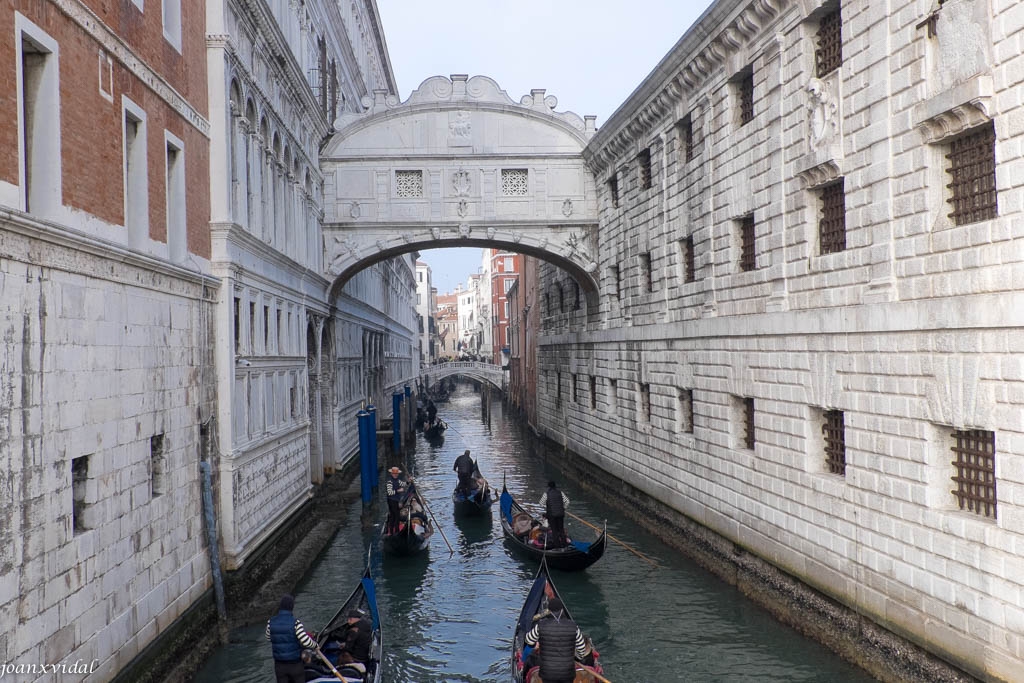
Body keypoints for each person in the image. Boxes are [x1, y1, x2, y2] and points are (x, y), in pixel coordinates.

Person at [522, 597, 589, 683]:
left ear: (549, 610)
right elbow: (581, 649)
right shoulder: (573, 626)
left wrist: (534, 645)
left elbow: (529, 640)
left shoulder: (541, 625)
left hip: (547, 672)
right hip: (567, 673)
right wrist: (577, 657)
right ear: (562, 610)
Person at [265, 594, 316, 683]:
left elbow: (268, 637)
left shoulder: (271, 622)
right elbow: (305, 641)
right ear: (291, 607)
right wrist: (315, 645)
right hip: (295, 665)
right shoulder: (296, 623)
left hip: (279, 666)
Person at [539, 481, 570, 548]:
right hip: (560, 514)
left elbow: (541, 503)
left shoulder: (546, 494)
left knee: (554, 530)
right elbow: (567, 501)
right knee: (561, 529)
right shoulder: (560, 493)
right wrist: (563, 508)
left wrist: (548, 507)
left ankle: (557, 546)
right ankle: (564, 544)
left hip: (551, 515)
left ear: (549, 487)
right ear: (555, 486)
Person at [385, 467, 408, 533]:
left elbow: (403, 484)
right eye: (394, 473)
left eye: (396, 473)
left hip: (396, 500)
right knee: (395, 516)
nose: (395, 475)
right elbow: (389, 492)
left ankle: (393, 531)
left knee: (394, 515)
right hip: (391, 500)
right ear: (392, 474)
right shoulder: (389, 482)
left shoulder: (398, 480)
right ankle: (395, 531)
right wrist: (398, 490)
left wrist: (408, 481)